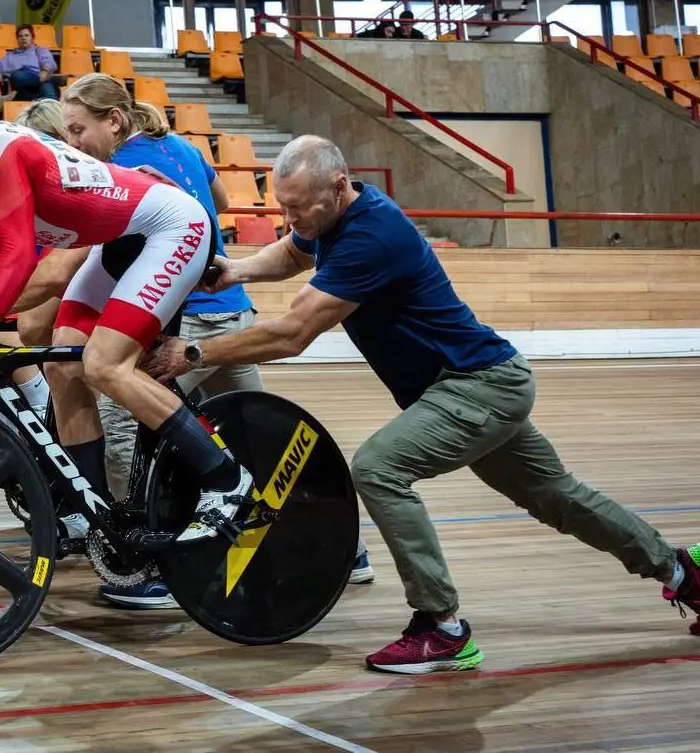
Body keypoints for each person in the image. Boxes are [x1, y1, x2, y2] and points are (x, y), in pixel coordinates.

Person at [146, 134, 700, 674]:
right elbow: (293, 252)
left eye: (298, 207)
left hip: (477, 385)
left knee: (379, 468)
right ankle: (681, 572)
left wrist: (195, 351)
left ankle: (442, 627)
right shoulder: (333, 218)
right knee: (559, 497)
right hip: (471, 384)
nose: (291, 218)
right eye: (282, 206)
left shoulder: (373, 235)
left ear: (338, 186)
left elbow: (292, 334)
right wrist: (238, 269)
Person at [0, 105, 253, 544]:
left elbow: (19, 255)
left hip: (171, 227)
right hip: (118, 240)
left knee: (104, 364)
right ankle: (96, 515)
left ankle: (227, 479)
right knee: (64, 368)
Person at [60, 72, 266, 608]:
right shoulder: (183, 146)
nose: (73, 144)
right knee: (251, 435)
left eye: (79, 129)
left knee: (124, 422)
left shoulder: (117, 169)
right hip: (232, 308)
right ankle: (337, 543)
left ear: (115, 122)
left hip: (187, 316)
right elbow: (218, 199)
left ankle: (148, 565)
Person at [0, 25, 59, 101]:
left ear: (32, 38)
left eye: (27, 35)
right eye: (20, 36)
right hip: (23, 90)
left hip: (40, 81)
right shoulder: (11, 56)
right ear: (17, 39)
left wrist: (45, 71)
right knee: (17, 75)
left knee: (47, 87)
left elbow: (50, 62)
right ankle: (50, 79)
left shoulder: (40, 50)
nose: (23, 38)